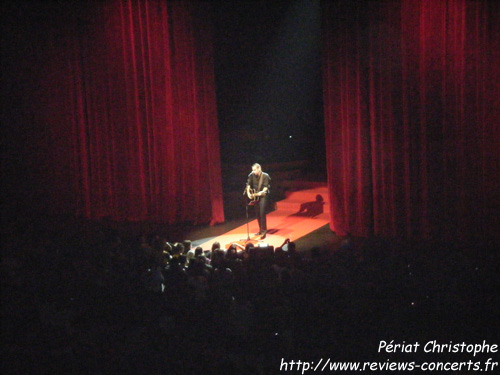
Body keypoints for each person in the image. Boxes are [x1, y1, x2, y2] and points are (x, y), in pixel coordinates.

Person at [243, 163, 271, 238]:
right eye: (252, 170)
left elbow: (266, 187)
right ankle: (260, 230)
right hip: (256, 196)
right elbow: (248, 185)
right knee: (258, 213)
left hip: (262, 196)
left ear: (259, 168)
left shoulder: (265, 176)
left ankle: (264, 231)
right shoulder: (251, 175)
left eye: (255, 170)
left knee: (262, 213)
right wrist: (248, 192)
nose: (253, 171)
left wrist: (261, 192)